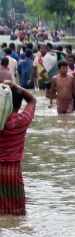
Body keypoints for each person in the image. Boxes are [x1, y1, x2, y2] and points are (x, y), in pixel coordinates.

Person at [0, 80, 36, 216]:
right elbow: (32, 100)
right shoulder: (21, 120)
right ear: (20, 104)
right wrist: (15, 86)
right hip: (13, 173)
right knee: (17, 214)